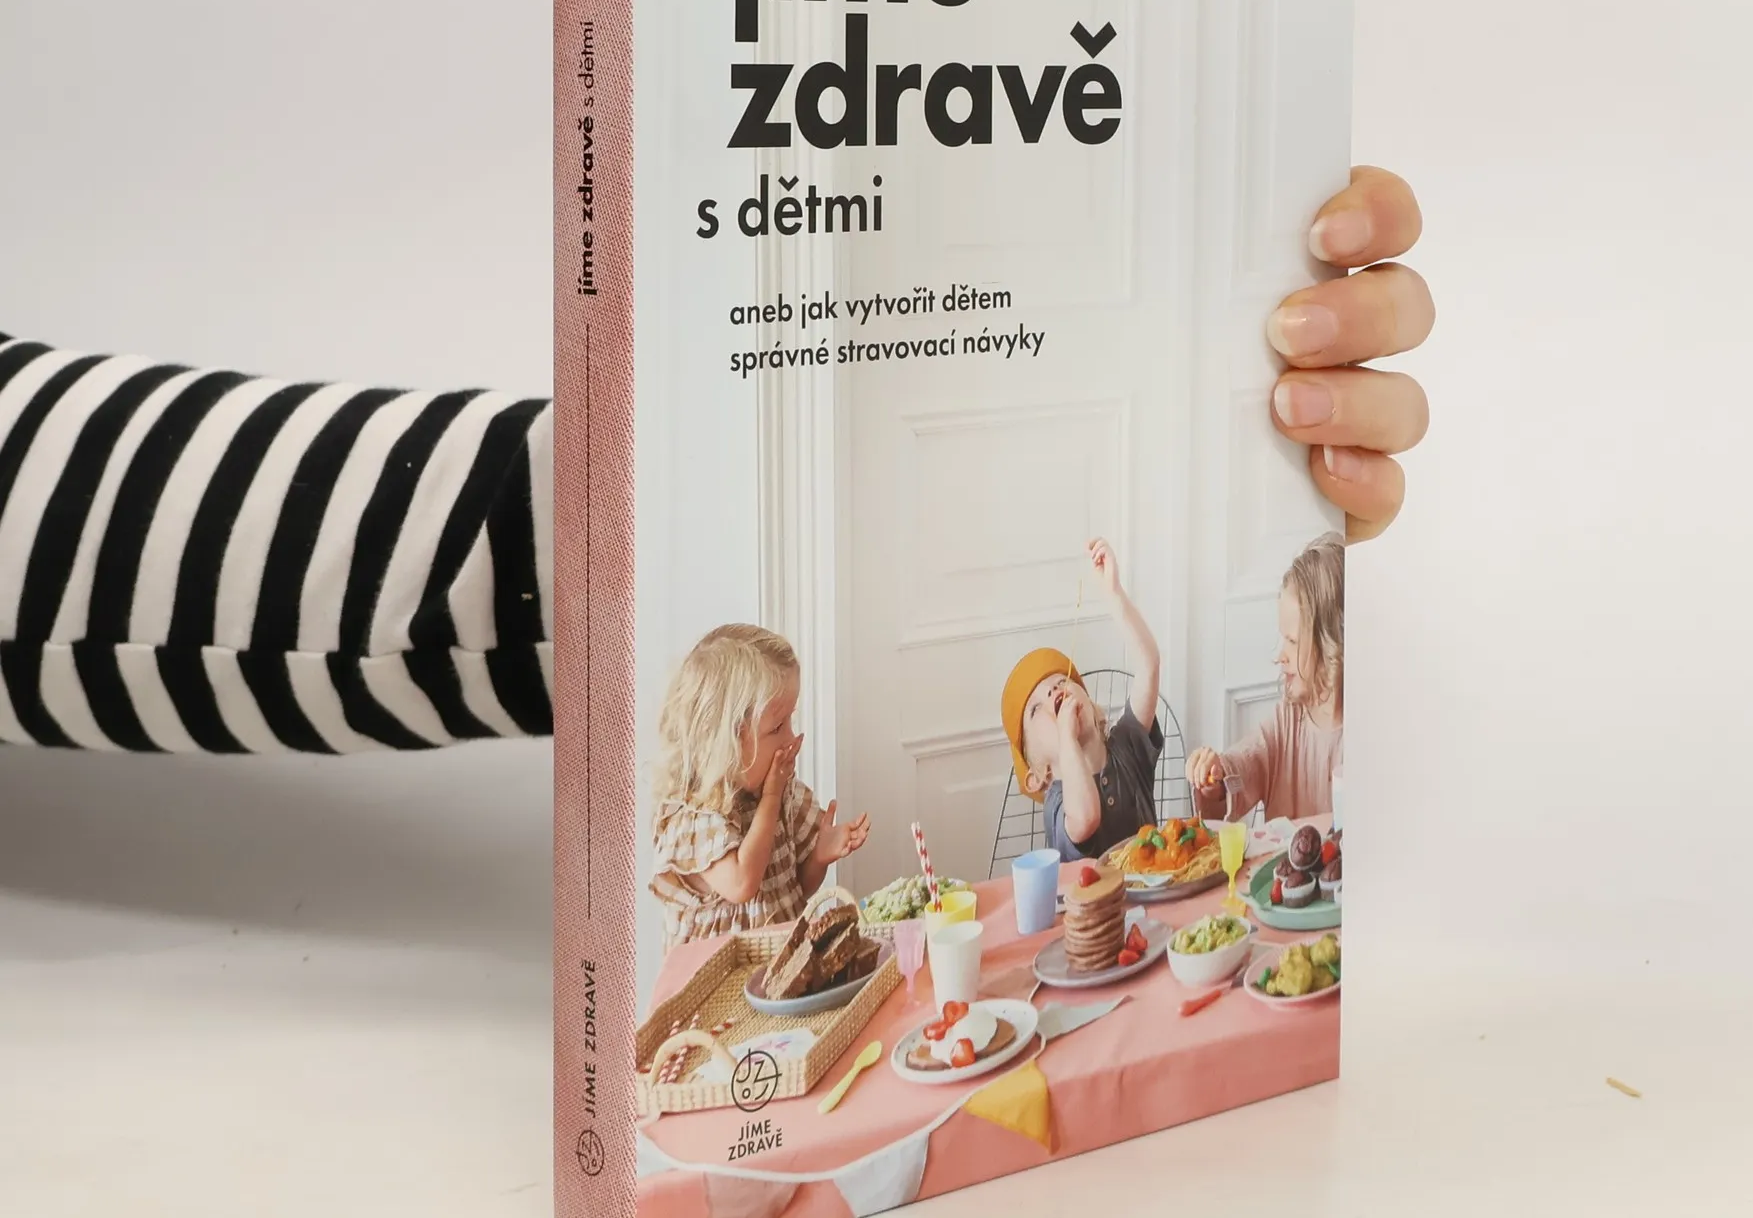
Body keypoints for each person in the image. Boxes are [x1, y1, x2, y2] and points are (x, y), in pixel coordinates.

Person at [0, 168, 1432, 754]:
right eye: (1054, 696)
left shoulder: (1122, 755)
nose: (1071, 702)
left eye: (1064, 692)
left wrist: (1222, 442)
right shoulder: (1067, 793)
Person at [648, 624, 869, 947]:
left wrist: (819, 857)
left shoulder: (781, 794)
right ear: (725, 740)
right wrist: (771, 798)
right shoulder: (693, 817)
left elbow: (794, 891)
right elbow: (742, 883)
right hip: (714, 975)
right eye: (777, 727)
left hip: (773, 965)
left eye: (790, 720)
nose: (791, 737)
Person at [1000, 539, 1160, 861]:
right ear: (1039, 774)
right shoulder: (1058, 803)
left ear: (1090, 703)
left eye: (1062, 681)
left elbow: (1149, 664)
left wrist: (1113, 592)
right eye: (1036, 709)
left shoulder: (1127, 746)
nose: (1053, 692)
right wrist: (1067, 737)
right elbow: (1086, 818)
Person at [1187, 530, 1343, 825]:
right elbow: (1245, 763)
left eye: (1293, 641)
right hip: (1280, 859)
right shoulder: (1287, 721)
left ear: (1331, 645)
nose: (1280, 655)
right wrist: (1216, 778)